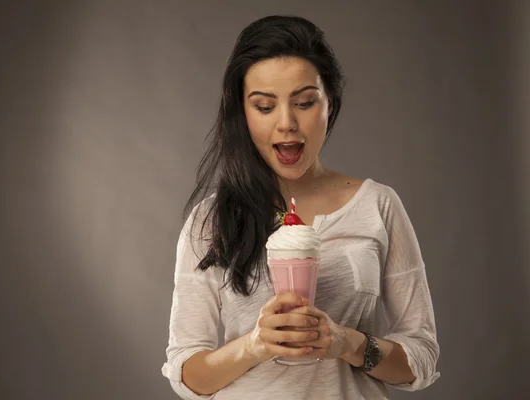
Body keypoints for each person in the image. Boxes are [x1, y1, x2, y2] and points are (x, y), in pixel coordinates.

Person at [161, 15, 440, 399]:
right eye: (264, 106)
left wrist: (347, 343)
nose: (287, 123)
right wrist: (254, 346)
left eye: (305, 102)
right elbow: (188, 371)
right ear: (242, 113)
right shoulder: (212, 220)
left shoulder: (377, 205)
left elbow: (421, 358)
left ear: (330, 103)